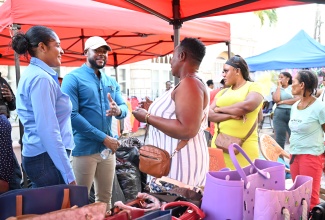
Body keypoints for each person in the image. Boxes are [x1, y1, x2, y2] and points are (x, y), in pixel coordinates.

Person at [61, 36, 128, 210]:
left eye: (105, 51)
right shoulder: (72, 78)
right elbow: (72, 116)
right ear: (85, 52)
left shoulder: (110, 81)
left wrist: (118, 111)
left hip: (107, 150)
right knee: (79, 202)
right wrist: (104, 138)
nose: (102, 55)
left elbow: (124, 107)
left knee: (105, 199)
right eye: (97, 50)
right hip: (84, 150)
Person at [132, 38, 209, 186]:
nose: (170, 61)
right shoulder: (189, 82)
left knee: (176, 207)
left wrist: (147, 117)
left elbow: (187, 129)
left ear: (182, 56)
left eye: (173, 56)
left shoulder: (190, 83)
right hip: (175, 162)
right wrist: (152, 110)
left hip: (179, 165)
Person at [11, 25, 76, 187]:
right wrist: (69, 176)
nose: (62, 51)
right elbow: (48, 131)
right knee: (59, 211)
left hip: (44, 157)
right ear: (42, 47)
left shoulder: (36, 74)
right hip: (46, 158)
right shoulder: (41, 79)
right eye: (58, 45)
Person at [209, 55, 263, 170]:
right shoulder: (222, 93)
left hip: (243, 150)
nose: (223, 75)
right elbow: (209, 115)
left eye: (226, 71)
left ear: (237, 71)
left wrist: (220, 109)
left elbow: (247, 106)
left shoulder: (253, 87)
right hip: (218, 147)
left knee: (244, 185)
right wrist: (230, 115)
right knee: (220, 184)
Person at [289, 70, 325, 209]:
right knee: (296, 196)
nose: (292, 85)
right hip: (294, 156)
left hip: (311, 157)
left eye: (294, 82)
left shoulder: (320, 108)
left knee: (310, 199)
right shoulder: (294, 106)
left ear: (302, 85)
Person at [272, 72, 300, 149]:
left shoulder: (292, 87)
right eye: (279, 77)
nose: (280, 79)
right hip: (279, 113)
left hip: (292, 113)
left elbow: (297, 99)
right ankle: (280, 159)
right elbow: (276, 99)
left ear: (288, 78)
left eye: (281, 77)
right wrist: (279, 87)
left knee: (293, 136)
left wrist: (283, 102)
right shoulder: (277, 88)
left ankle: (294, 157)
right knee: (279, 138)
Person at [0, 73, 16, 193]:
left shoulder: (2, 81)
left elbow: (13, 105)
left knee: (14, 174)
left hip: (4, 135)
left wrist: (10, 98)